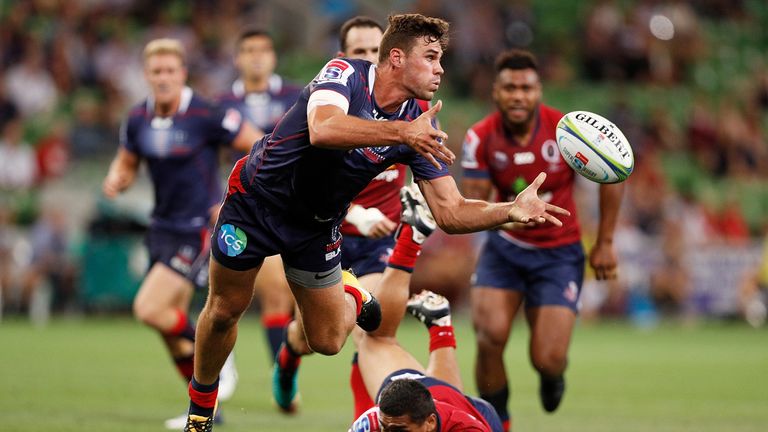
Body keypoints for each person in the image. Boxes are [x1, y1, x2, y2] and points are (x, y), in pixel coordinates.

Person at [184, 14, 568, 431]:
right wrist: (402, 134)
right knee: (224, 310)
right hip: (255, 204)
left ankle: (352, 294)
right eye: (432, 57)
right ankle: (201, 410)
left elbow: (451, 212)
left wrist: (507, 211)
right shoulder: (345, 73)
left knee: (329, 341)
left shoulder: (420, 122)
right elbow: (323, 128)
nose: (441, 69)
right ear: (397, 58)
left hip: (316, 225)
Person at [101, 38, 262, 428]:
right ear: (147, 75)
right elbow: (126, 162)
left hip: (196, 231)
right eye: (156, 71)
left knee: (149, 309)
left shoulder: (206, 113)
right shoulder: (138, 119)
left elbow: (259, 146)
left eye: (170, 70)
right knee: (168, 329)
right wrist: (116, 178)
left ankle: (219, 350)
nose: (163, 78)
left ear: (182, 74)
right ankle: (209, 410)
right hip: (161, 228)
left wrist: (231, 196)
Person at [460, 49, 624, 431]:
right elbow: (474, 203)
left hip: (559, 253)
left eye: (526, 87)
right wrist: (509, 215)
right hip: (505, 250)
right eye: (509, 87)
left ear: (539, 91)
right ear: (496, 93)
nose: (518, 95)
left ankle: (553, 376)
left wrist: (605, 242)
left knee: (547, 358)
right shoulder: (479, 137)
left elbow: (613, 174)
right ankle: (498, 422)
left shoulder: (567, 131)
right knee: (489, 335)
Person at [349, 186, 503, 432]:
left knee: (375, 338)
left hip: (475, 414)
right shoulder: (375, 423)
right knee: (375, 338)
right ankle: (439, 322)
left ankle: (412, 241)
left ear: (430, 424)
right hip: (436, 396)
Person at [217, 28, 303, 362]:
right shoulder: (222, 105)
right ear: (238, 58)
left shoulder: (298, 96)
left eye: (263, 50)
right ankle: (280, 372)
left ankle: (285, 367)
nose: (256, 56)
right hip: (248, 206)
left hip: (296, 204)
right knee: (275, 293)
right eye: (249, 49)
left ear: (273, 57)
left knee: (302, 301)